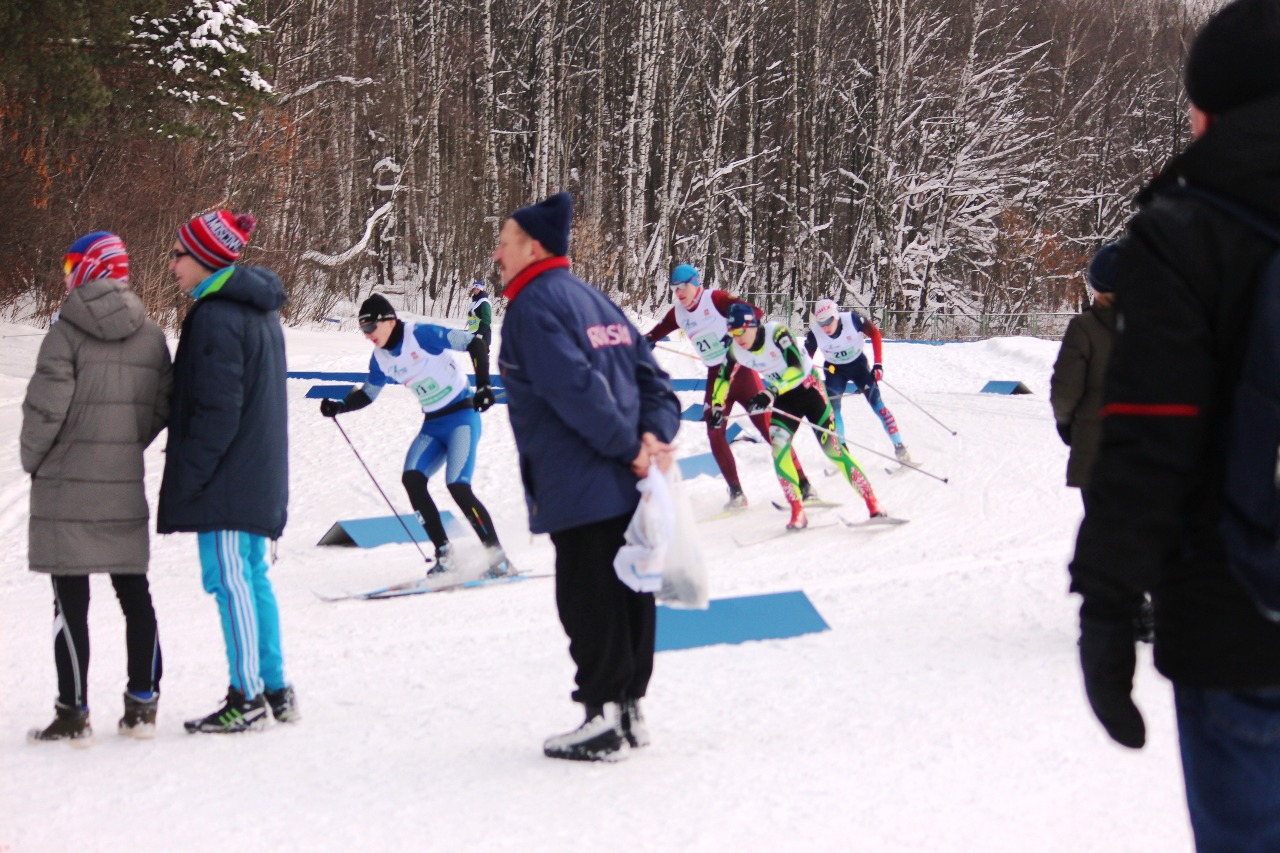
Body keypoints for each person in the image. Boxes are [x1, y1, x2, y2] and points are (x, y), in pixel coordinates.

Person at [1067, 2, 1280, 848]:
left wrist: (1109, 603)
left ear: (1208, 109)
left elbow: (1151, 437)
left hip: (1239, 615)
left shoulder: (1190, 228)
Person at [494, 191, 680, 762]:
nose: (497, 254)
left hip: (581, 482)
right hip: (627, 485)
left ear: (533, 245)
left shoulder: (533, 306)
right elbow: (656, 381)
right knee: (630, 592)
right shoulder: (598, 302)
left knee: (587, 597)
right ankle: (628, 710)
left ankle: (602, 716)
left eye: (504, 243)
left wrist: (631, 446)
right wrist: (654, 436)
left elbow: (571, 388)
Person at [22, 232, 172, 743]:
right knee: (135, 594)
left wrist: (34, 461)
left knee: (70, 600)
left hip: (65, 486)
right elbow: (159, 410)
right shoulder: (152, 335)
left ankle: (72, 713)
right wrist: (123, 444)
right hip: (123, 481)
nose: (66, 272)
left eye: (71, 262)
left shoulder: (65, 332)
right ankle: (142, 705)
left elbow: (44, 411)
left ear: (90, 268)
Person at [157, 210, 298, 734]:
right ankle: (274, 687)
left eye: (178, 255)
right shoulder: (252, 309)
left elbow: (217, 411)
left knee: (231, 581)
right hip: (250, 471)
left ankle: (249, 697)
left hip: (230, 476)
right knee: (249, 578)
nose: (172, 266)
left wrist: (189, 477)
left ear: (206, 258)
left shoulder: (219, 315)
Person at [320, 293, 510, 577]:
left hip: (461, 418)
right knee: (412, 479)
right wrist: (341, 406)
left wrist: (483, 385)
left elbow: (475, 342)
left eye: (370, 328)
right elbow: (368, 394)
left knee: (457, 486)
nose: (367, 336)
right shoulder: (380, 358)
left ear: (389, 321)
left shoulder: (420, 334)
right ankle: (445, 555)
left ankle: (498, 558)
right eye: (363, 330)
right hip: (433, 425)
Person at [644, 264, 816, 509]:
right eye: (674, 288)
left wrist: (733, 332)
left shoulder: (716, 299)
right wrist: (647, 341)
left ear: (696, 284)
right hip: (718, 377)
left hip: (743, 372)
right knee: (714, 431)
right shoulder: (678, 313)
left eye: (683, 286)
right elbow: (658, 330)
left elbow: (755, 312)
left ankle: (804, 483)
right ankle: (736, 492)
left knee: (769, 430)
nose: (679, 292)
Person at [715, 303, 885, 531]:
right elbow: (723, 377)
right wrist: (716, 406)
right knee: (778, 447)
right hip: (785, 397)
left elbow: (795, 367)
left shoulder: (776, 332)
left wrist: (770, 392)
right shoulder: (736, 349)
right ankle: (797, 511)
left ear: (754, 325)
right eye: (732, 333)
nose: (738, 337)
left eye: (741, 330)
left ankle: (873, 503)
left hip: (809, 389)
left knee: (833, 451)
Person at [1050, 242, 1121, 510]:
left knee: (1103, 524)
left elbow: (1066, 388)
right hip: (1151, 448)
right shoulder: (1162, 327)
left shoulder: (1086, 328)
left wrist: (1065, 422)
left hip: (1096, 444)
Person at [804, 298, 910, 463]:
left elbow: (875, 333)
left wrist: (878, 364)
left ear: (836, 316)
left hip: (858, 366)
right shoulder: (815, 332)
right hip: (834, 371)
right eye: (821, 323)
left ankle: (900, 448)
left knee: (877, 405)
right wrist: (810, 373)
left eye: (828, 321)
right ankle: (843, 453)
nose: (825, 327)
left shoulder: (852, 319)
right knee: (834, 410)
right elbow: (806, 358)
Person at [466, 281, 493, 347]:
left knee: (481, 355)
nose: (475, 290)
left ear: (481, 290)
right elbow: (475, 315)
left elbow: (487, 320)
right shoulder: (475, 301)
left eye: (477, 289)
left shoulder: (484, 302)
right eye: (474, 289)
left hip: (483, 334)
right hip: (475, 332)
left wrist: (480, 333)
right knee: (474, 355)